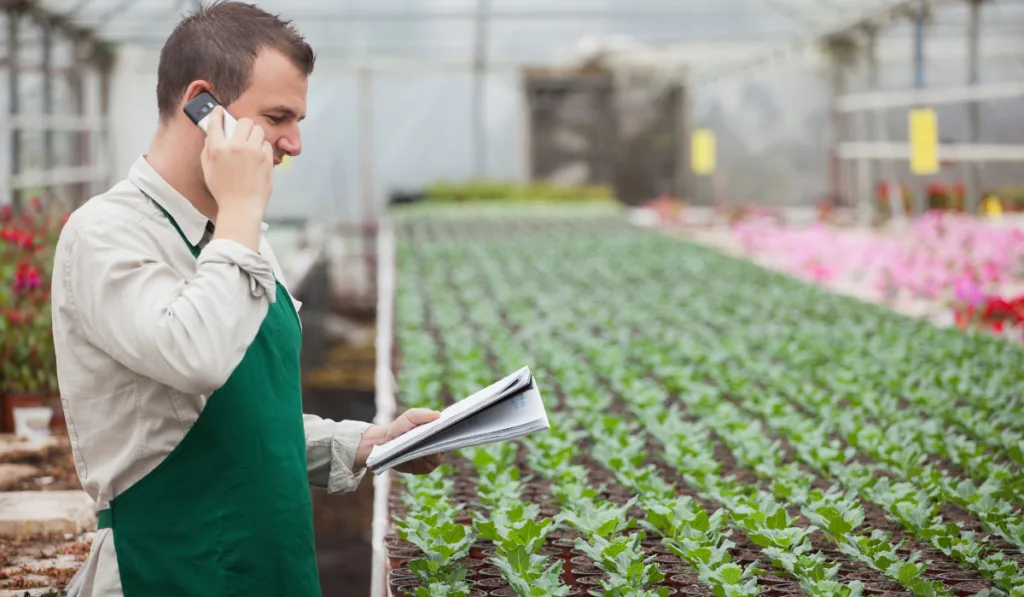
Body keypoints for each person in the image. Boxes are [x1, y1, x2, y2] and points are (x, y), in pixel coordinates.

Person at [51, 2, 442, 596]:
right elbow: (195, 356)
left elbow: (240, 419)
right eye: (278, 117)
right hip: (171, 568)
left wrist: (363, 443)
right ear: (202, 104)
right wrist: (239, 210)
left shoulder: (242, 234)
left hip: (272, 562)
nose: (295, 143)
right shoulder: (106, 233)